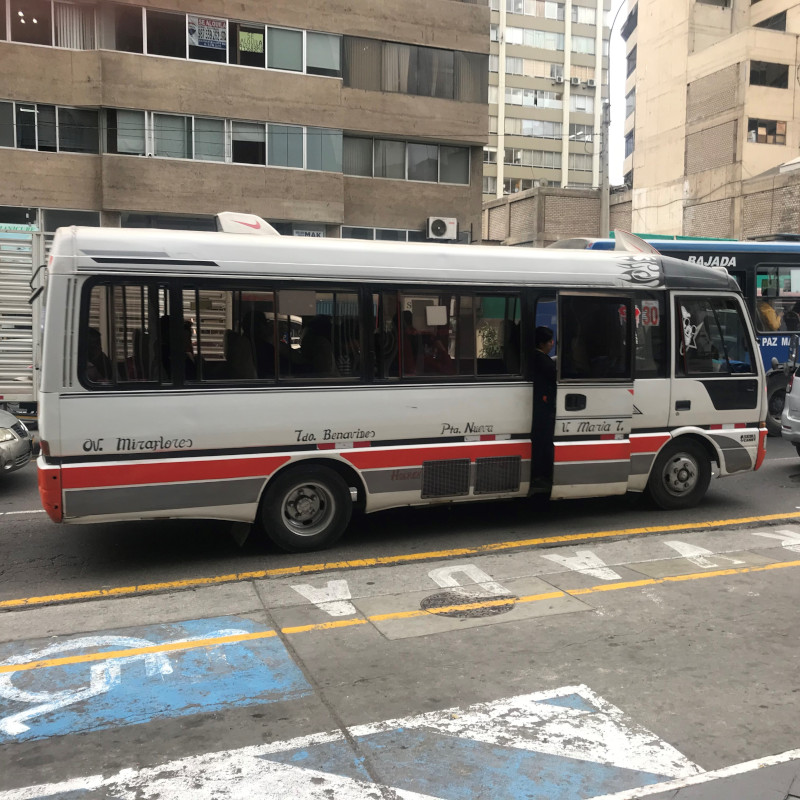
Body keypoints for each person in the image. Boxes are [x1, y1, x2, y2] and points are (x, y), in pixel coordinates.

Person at [531, 325, 556, 495]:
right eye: (549, 341)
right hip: (543, 408)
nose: (552, 343)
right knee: (543, 441)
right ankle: (540, 474)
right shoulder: (542, 361)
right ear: (542, 343)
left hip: (539, 406)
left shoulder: (537, 357)